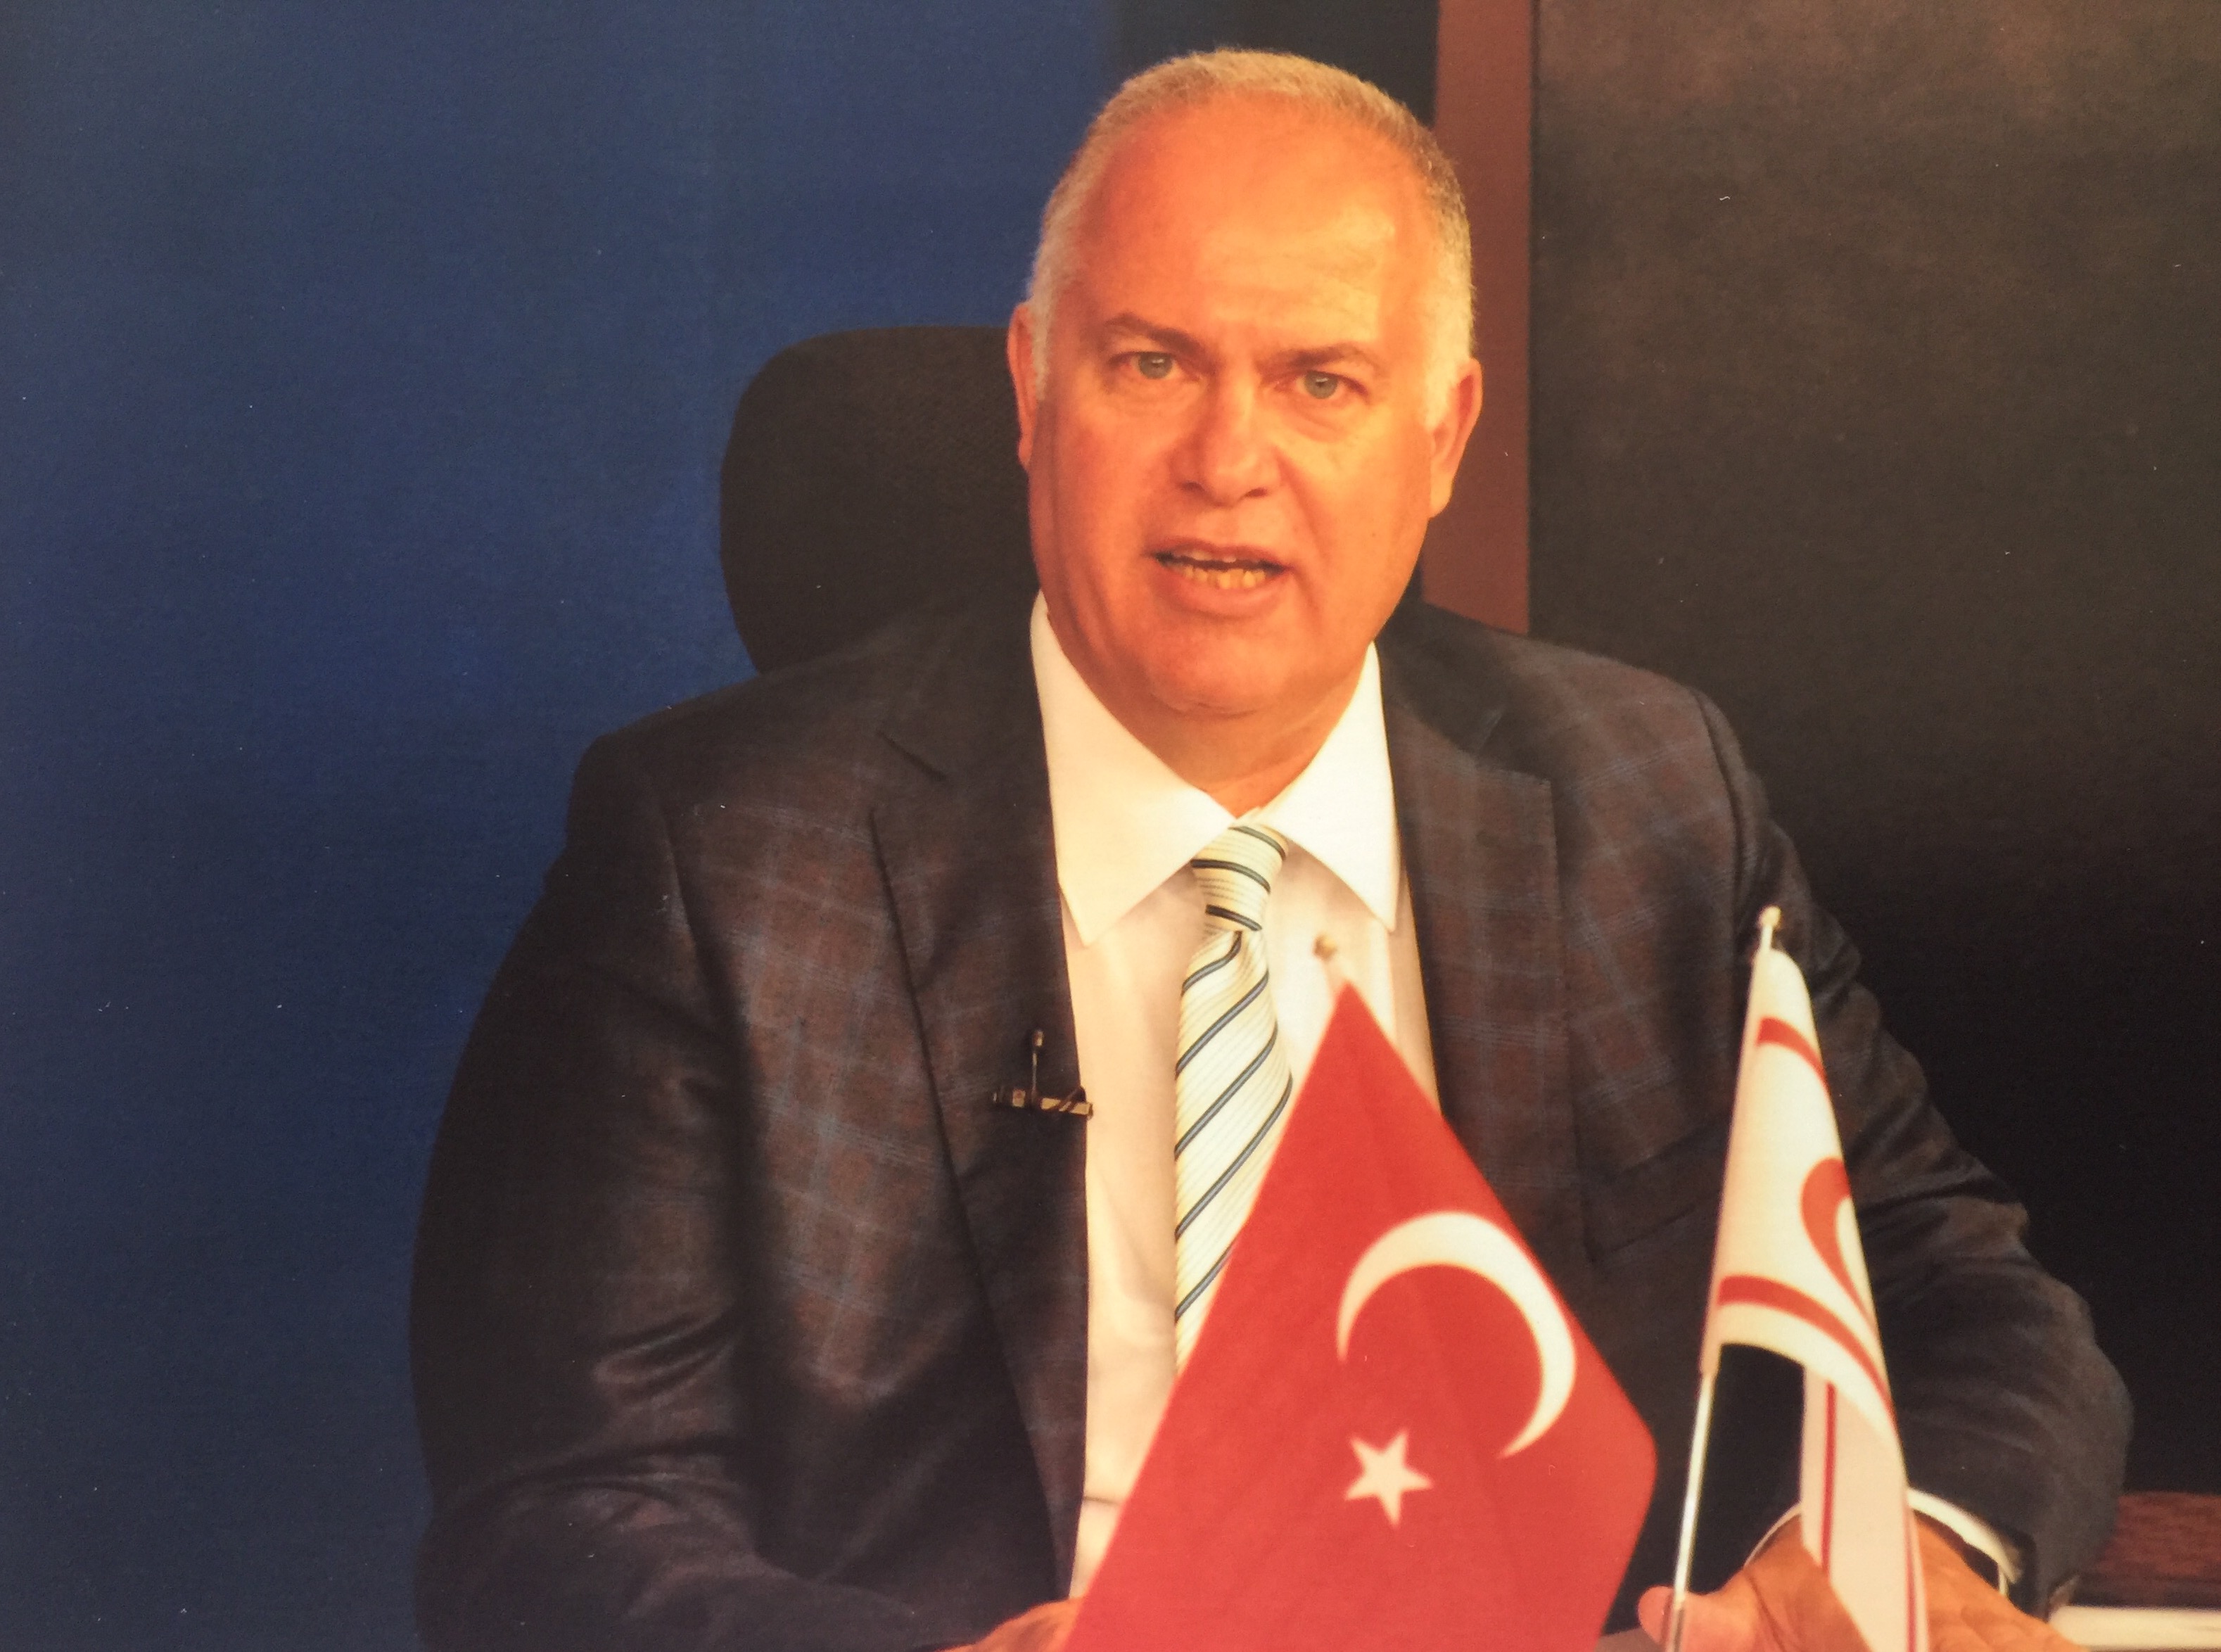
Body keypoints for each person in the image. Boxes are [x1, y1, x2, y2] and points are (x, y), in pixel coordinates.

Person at [410, 50, 2127, 1652]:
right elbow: (554, 1519)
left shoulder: (1647, 799)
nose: (1227, 464)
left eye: (1321, 382)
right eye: (1151, 364)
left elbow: (1964, 1294)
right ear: (1030, 392)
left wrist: (1914, 1549)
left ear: (1440, 438)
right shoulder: (721, 859)